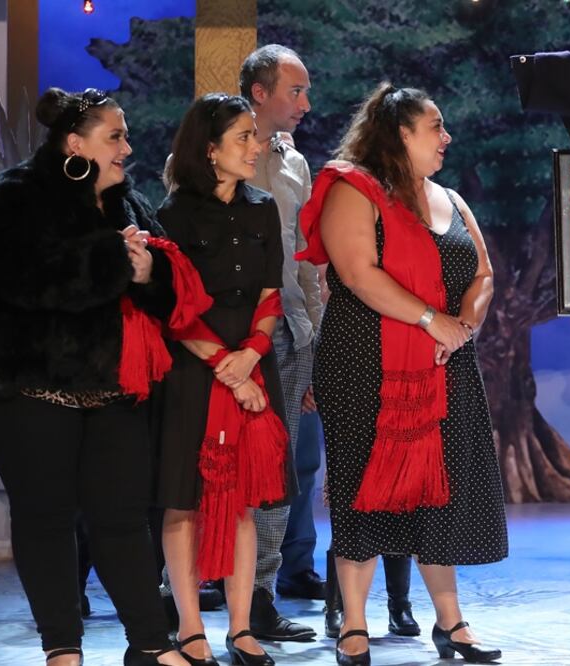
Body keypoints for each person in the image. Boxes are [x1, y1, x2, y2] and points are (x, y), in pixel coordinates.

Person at [0, 88, 199, 666]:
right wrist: (114, 260)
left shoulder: (129, 202)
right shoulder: (15, 196)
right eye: (115, 136)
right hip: (28, 387)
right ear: (75, 143)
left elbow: (167, 292)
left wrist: (150, 274)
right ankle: (62, 648)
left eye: (126, 135)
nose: (128, 147)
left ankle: (151, 645)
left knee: (122, 517)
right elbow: (26, 283)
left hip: (113, 389)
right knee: (46, 517)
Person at [297, 82, 508, 665]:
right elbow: (357, 273)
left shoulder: (450, 198)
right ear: (401, 133)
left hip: (445, 366)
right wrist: (431, 320)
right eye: (435, 126)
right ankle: (354, 625)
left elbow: (483, 273)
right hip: (365, 365)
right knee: (362, 490)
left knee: (440, 492)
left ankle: (451, 623)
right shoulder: (353, 189)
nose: (447, 137)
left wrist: (461, 326)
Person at [157, 93, 296, 666]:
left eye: (253, 135)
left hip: (252, 361)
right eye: (243, 136)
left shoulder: (263, 207)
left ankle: (240, 629)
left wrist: (253, 355)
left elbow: (271, 293)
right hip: (195, 369)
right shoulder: (172, 215)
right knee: (183, 501)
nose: (255, 145)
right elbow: (173, 308)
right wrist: (228, 368)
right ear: (210, 150)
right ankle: (191, 628)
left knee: (243, 502)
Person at [238, 42, 321, 643]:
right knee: (212, 467)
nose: (305, 103)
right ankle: (185, 591)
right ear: (259, 93)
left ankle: (262, 595)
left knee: (279, 470)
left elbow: (307, 260)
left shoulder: (295, 163)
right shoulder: (207, 153)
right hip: (229, 337)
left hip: (291, 331)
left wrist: (314, 336)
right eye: (295, 91)